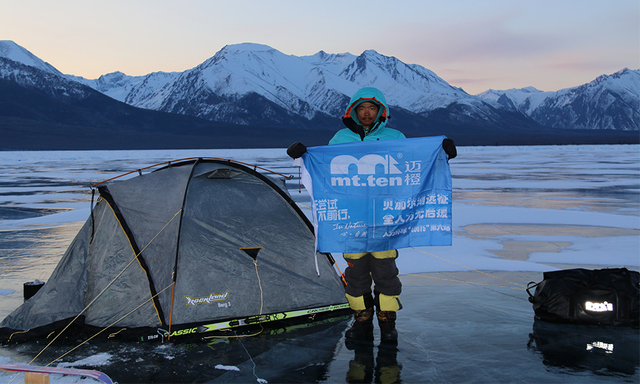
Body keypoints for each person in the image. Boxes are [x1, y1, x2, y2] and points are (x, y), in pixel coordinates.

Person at [287, 87, 456, 343]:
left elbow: (416, 162)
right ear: (353, 111)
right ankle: (362, 319)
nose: (367, 113)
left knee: (385, 272)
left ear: (381, 111)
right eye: (362, 108)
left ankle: (388, 322)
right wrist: (303, 156)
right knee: (355, 272)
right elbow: (325, 171)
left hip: (386, 218)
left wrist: (441, 151)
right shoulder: (340, 139)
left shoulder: (395, 136)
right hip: (351, 220)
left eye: (372, 108)